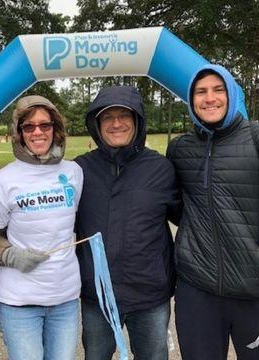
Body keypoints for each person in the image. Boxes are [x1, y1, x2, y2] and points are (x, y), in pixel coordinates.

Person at [166, 64, 259, 359]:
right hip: (197, 289)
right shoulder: (179, 149)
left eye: (218, 90)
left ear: (231, 94)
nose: (210, 98)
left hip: (255, 289)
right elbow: (178, 206)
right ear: (191, 101)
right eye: (201, 92)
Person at [74, 85, 181, 360]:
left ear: (137, 121)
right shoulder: (79, 170)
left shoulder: (161, 169)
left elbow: (186, 218)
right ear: (96, 124)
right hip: (97, 296)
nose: (116, 123)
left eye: (124, 115)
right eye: (108, 117)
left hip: (149, 295)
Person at [0, 95, 83, 360]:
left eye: (45, 124)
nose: (38, 132)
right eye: (28, 126)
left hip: (64, 299)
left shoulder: (75, 172)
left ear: (56, 128)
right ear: (19, 133)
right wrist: (9, 255)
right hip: (20, 302)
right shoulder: (3, 180)